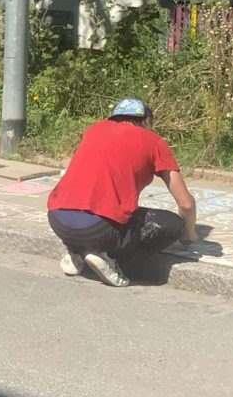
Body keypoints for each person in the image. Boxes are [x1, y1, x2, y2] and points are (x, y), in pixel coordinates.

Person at [46, 98, 198, 287]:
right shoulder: (153, 141)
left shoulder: (93, 130)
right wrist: (189, 234)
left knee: (97, 214)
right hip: (98, 229)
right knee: (171, 224)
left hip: (57, 220)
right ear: (146, 121)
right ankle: (109, 257)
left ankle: (76, 251)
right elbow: (186, 204)